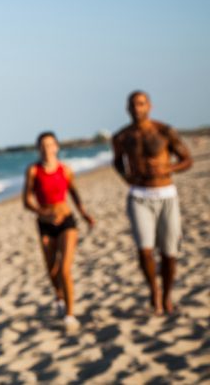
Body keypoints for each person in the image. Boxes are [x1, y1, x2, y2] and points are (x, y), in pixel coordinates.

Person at [111, 90, 192, 315]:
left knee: (169, 252)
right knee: (144, 250)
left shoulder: (164, 131)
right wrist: (125, 176)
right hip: (139, 196)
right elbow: (117, 162)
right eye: (133, 105)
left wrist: (170, 167)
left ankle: (167, 295)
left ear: (150, 106)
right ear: (127, 109)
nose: (137, 108)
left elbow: (187, 160)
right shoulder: (121, 137)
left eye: (141, 104)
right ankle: (154, 291)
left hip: (166, 194)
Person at [23, 131, 95, 333]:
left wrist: (84, 213)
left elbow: (74, 192)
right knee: (52, 269)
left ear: (57, 147)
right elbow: (26, 200)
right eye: (43, 145)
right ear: (38, 148)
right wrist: (41, 212)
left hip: (66, 220)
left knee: (64, 268)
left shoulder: (65, 170)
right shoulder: (33, 171)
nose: (47, 148)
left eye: (50, 144)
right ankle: (59, 297)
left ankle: (70, 315)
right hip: (45, 223)